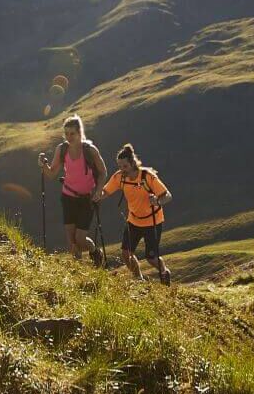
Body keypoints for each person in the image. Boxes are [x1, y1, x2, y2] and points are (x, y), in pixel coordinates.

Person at [93, 143, 173, 285]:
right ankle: (139, 279)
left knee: (151, 258)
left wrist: (157, 201)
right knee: (126, 253)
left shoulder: (147, 176)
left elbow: (167, 196)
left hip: (153, 221)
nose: (122, 170)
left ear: (132, 163)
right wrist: (99, 196)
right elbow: (106, 191)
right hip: (134, 220)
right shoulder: (119, 177)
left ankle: (164, 272)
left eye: (125, 166)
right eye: (119, 166)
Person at [38, 114, 107, 264]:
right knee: (71, 240)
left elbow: (102, 172)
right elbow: (51, 174)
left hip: (87, 198)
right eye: (66, 134)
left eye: (72, 134)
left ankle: (94, 251)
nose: (69, 137)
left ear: (79, 132)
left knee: (80, 239)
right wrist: (43, 165)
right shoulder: (62, 150)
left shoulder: (90, 150)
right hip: (68, 196)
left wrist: (99, 190)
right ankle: (79, 272)